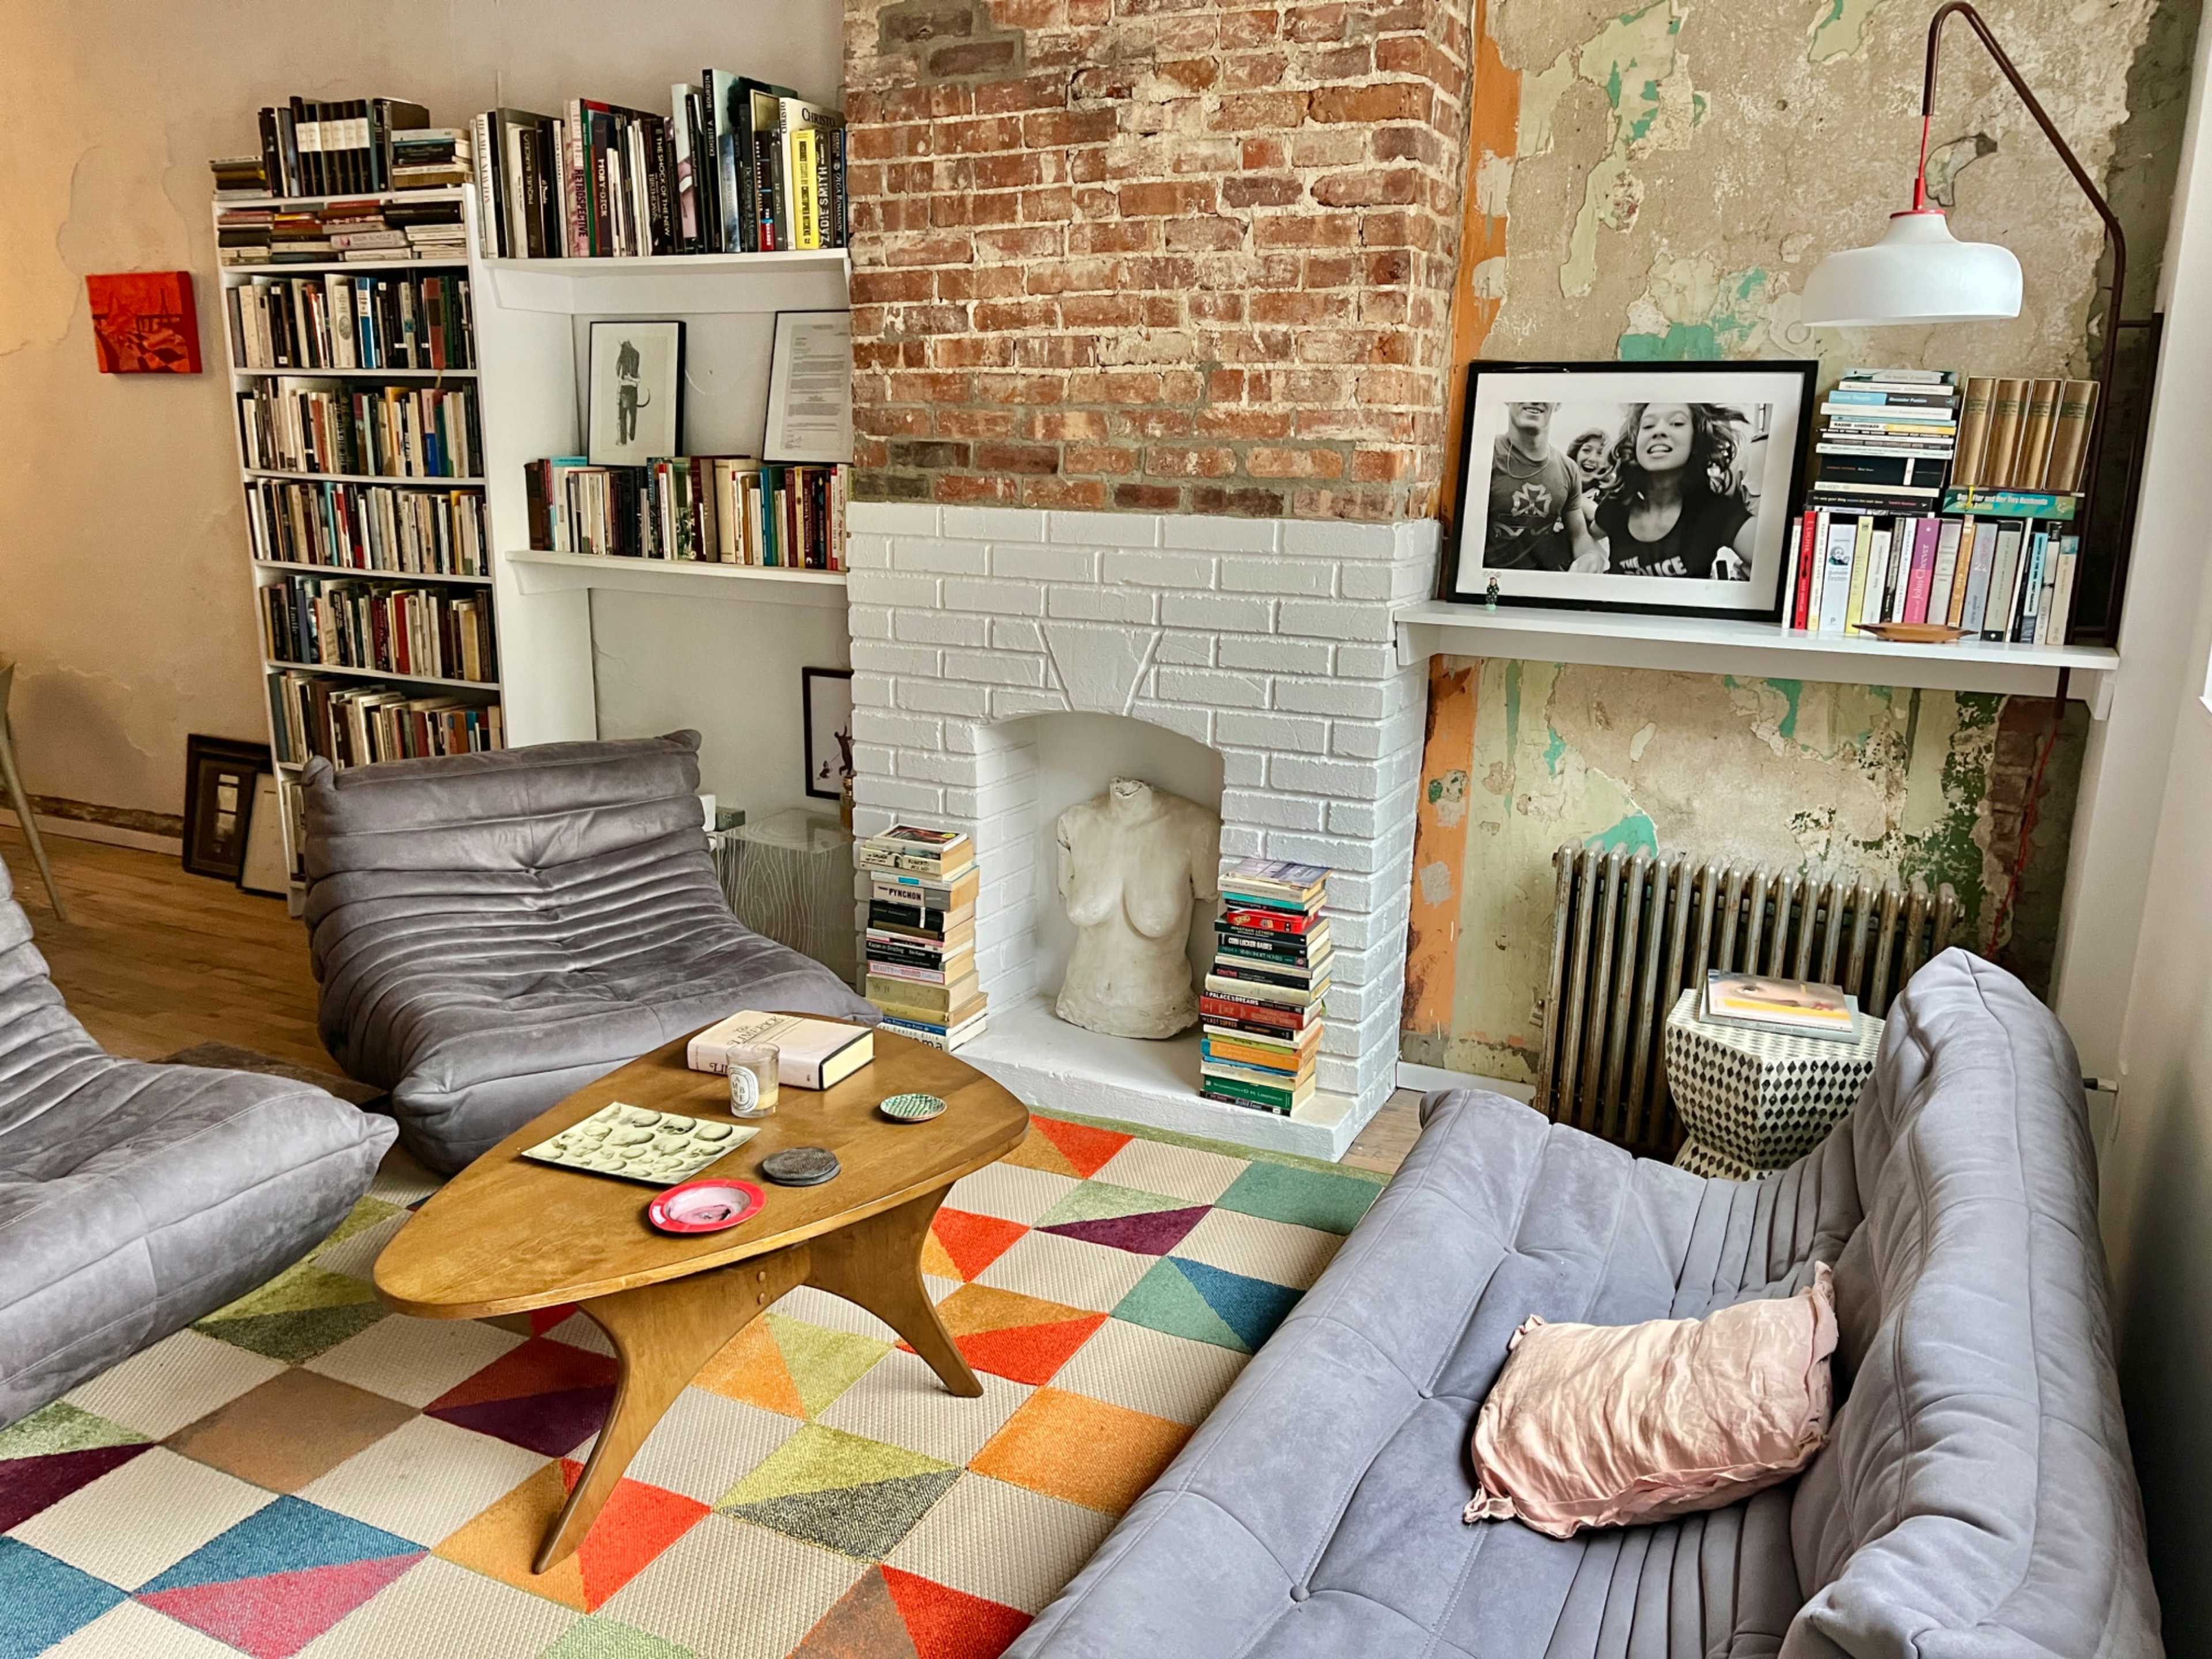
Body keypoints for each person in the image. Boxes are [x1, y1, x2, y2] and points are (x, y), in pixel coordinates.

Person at [1590, 402, 1756, 580]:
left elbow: (1778, 556)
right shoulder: (1617, 506)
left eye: (1677, 423)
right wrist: (1590, 557)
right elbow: (1586, 538)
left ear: (1697, 439)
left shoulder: (1716, 512)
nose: (1658, 431)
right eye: (1648, 426)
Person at [1483, 401, 1601, 573]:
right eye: (1526, 387)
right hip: (1492, 585)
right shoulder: (1485, 454)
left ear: (1558, 403)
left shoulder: (1568, 469)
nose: (1535, 399)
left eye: (1544, 391)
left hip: (1542, 587)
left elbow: (1579, 535)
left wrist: (1591, 556)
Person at [1565, 426, 1615, 510]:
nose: (1592, 459)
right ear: (1575, 455)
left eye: (1600, 453)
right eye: (1586, 450)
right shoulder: (1557, 484)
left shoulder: (1611, 498)